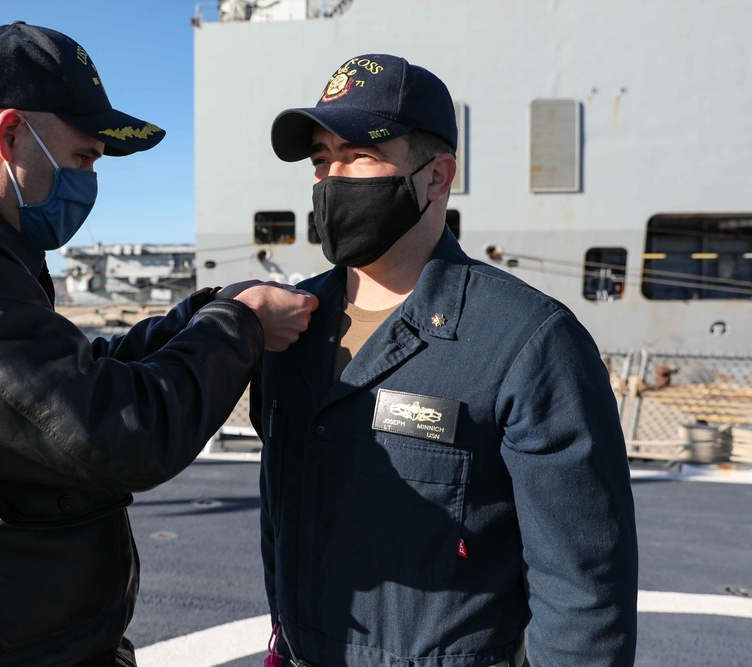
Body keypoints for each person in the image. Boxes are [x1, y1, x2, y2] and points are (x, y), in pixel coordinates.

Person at [0, 22, 317, 666]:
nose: (89, 182)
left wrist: (203, 314)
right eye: (82, 158)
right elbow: (113, 432)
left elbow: (66, 384)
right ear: (11, 134)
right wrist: (238, 326)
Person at [254, 54, 638, 667]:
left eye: (356, 155)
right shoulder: (286, 329)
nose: (330, 180)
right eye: (321, 160)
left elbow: (584, 590)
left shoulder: (528, 342)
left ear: (437, 178)